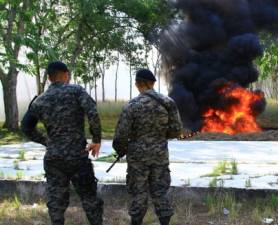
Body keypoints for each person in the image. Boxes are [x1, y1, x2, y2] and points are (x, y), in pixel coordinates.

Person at [21, 61, 103, 225]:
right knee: (89, 198)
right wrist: (96, 140)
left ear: (50, 78)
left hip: (54, 159)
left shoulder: (40, 100)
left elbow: (25, 127)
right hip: (77, 157)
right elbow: (92, 112)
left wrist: (45, 141)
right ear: (66, 75)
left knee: (56, 202)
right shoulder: (76, 91)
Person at [113, 69, 183, 225]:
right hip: (160, 156)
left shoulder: (132, 105)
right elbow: (176, 131)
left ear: (138, 84)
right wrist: (159, 137)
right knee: (160, 193)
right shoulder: (168, 103)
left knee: (138, 193)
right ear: (152, 83)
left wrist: (121, 150)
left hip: (137, 159)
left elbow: (120, 137)